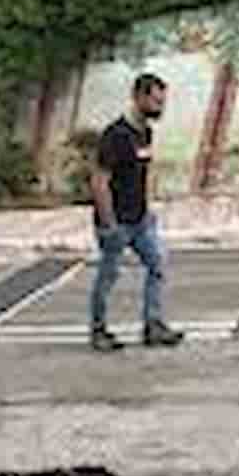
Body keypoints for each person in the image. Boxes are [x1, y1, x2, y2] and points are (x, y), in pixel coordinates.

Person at [88, 72, 184, 352]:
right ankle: (98, 330)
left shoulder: (145, 132)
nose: (160, 108)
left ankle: (153, 325)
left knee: (157, 264)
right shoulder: (115, 135)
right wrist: (109, 223)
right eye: (155, 102)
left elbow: (144, 172)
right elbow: (99, 180)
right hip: (116, 221)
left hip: (140, 220)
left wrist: (149, 208)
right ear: (139, 97)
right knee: (108, 275)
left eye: (162, 102)